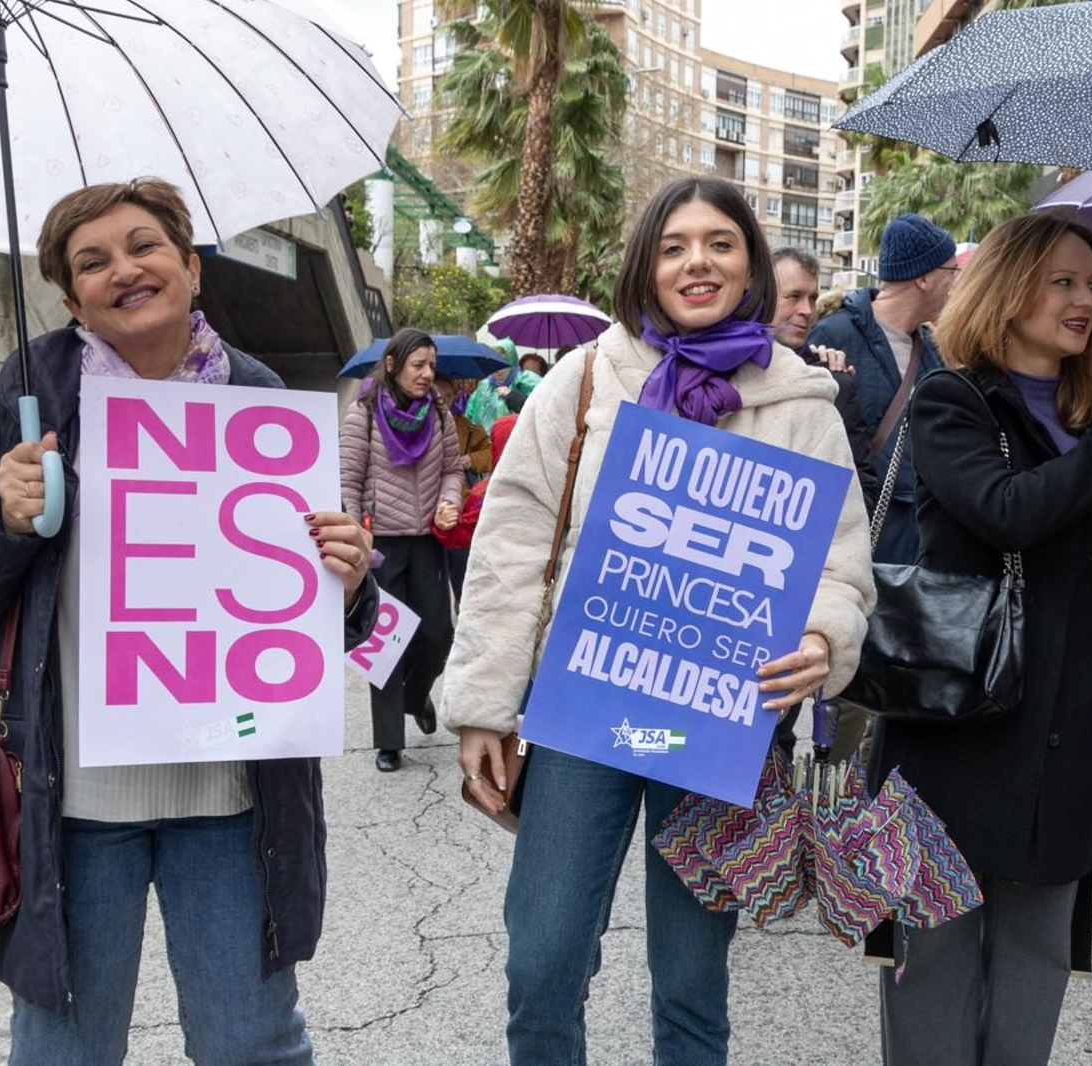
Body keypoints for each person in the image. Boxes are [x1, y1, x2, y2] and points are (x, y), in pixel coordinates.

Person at [0, 178, 379, 1064]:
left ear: (191, 268)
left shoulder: (262, 398)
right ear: (71, 293)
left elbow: (323, 617)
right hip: (70, 804)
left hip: (232, 797)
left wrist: (348, 587)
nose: (124, 269)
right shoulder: (21, 401)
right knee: (64, 1051)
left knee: (253, 1045)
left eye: (144, 246)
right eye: (93, 261)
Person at [444, 175, 875, 1064]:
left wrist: (823, 637)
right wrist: (484, 701)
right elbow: (515, 538)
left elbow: (841, 559)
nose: (697, 262)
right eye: (675, 245)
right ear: (647, 266)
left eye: (719, 242)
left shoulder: (799, 404)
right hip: (582, 713)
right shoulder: (590, 376)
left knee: (691, 983)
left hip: (721, 722)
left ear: (750, 261)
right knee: (544, 958)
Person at [870, 212, 1092, 1066]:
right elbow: (1007, 513)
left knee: (1035, 975)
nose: (1081, 299)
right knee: (934, 973)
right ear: (1010, 288)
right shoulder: (954, 399)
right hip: (954, 736)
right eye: (1059, 280)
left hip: (1061, 736)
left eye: (1088, 282)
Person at [340, 328, 465, 772]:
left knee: (438, 633)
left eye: (432, 366)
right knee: (383, 640)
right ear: (392, 366)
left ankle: (416, 697)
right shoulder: (364, 412)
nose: (428, 374)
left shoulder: (439, 414)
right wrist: (355, 532)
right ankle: (389, 741)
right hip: (381, 543)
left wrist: (450, 500)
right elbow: (348, 477)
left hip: (429, 540)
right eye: (419, 365)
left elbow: (453, 469)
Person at [807, 212, 958, 564]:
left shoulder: (934, 351)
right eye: (951, 272)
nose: (956, 283)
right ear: (923, 277)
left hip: (919, 548)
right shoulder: (833, 337)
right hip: (853, 543)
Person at [770, 246, 881, 515]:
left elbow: (862, 491)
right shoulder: (720, 375)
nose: (807, 310)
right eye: (794, 296)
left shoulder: (833, 382)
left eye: (813, 298)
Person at [438, 373, 493, 600]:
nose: (444, 401)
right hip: (424, 516)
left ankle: (463, 609)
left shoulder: (468, 427)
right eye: (439, 396)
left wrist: (471, 459)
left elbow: (490, 451)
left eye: (449, 396)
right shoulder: (412, 427)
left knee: (462, 575)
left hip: (457, 511)